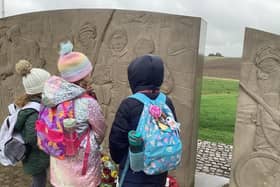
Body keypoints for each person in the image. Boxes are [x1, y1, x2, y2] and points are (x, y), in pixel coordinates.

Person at [42, 41, 106, 187]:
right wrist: (91, 141)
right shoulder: (88, 102)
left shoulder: (51, 97)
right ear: (83, 75)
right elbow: (100, 130)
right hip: (84, 170)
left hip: (59, 165)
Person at [109, 54, 177, 187]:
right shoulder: (166, 102)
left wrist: (118, 159)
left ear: (134, 78)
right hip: (159, 170)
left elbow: (117, 141)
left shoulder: (128, 104)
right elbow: (173, 132)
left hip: (133, 173)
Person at [13, 59, 51, 187]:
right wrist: (48, 139)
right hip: (36, 158)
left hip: (38, 157)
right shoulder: (33, 112)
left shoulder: (34, 106)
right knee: (39, 182)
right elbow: (31, 136)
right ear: (41, 90)